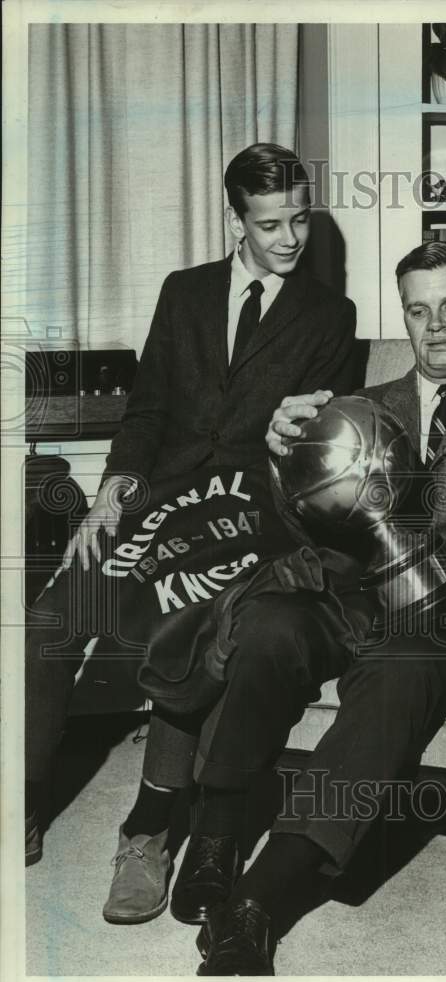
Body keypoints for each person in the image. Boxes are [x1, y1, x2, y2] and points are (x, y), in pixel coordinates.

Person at [180, 240, 446, 975]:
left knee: (400, 673)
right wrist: (282, 462)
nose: (435, 325)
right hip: (347, 596)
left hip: (443, 617)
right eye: (417, 310)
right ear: (403, 317)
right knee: (270, 627)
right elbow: (302, 523)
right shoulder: (366, 406)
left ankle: (261, 899)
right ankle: (214, 838)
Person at [24, 143, 359, 909]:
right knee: (51, 617)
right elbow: (147, 412)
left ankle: (147, 830)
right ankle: (26, 800)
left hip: (252, 506)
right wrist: (112, 494)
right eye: (270, 222)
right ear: (234, 218)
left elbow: (321, 450)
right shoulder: (185, 293)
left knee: (187, 629)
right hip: (160, 489)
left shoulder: (329, 315)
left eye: (299, 219)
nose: (289, 238)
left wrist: (290, 445)